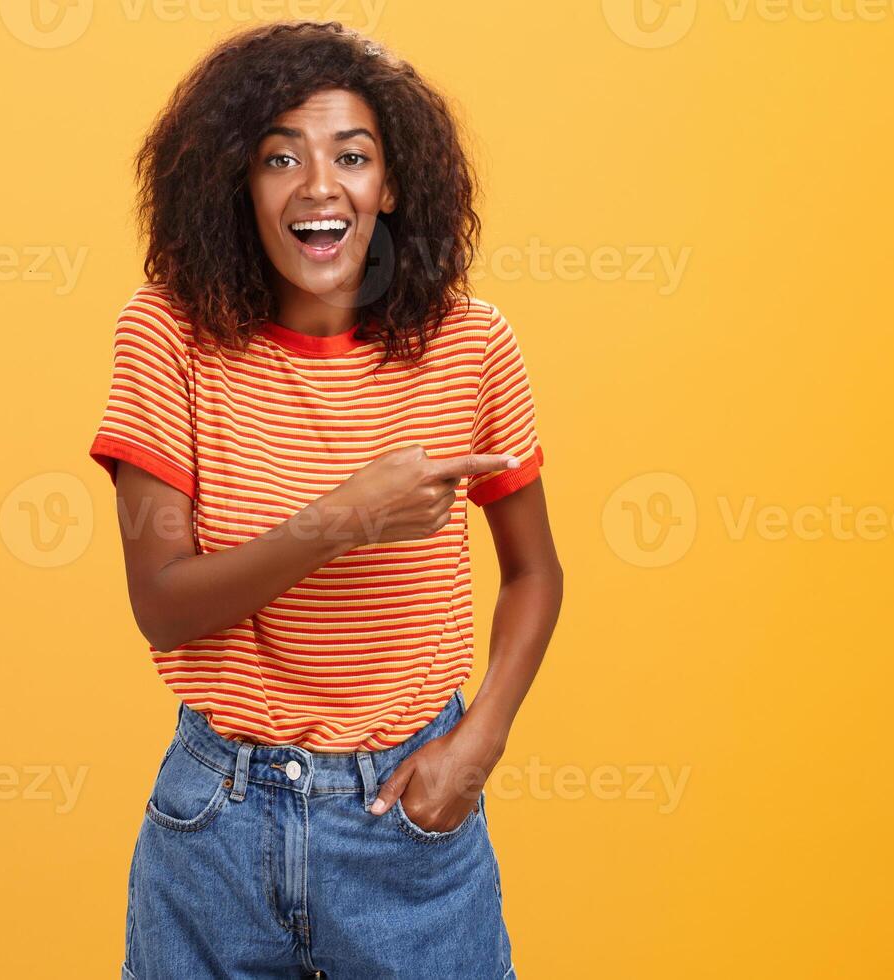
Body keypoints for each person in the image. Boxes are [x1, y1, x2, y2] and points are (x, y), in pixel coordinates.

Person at [89, 21, 564, 979]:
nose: (318, 186)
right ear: (240, 185)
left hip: (408, 815)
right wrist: (345, 518)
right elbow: (163, 606)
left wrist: (480, 744)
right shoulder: (167, 335)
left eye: (352, 156)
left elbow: (535, 574)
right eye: (279, 158)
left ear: (389, 186)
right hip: (215, 824)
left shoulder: (470, 345)